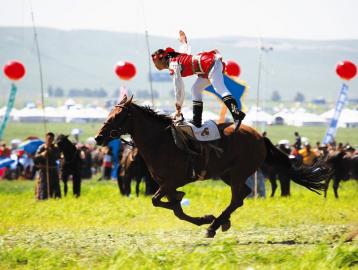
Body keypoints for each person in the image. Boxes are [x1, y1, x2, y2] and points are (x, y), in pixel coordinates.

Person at [151, 30, 245, 130]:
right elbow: (185, 50)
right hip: (206, 67)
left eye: (156, 62)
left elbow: (179, 88)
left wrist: (178, 107)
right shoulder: (175, 58)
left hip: (209, 64)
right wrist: (183, 41)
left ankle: (237, 114)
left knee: (220, 89)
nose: (155, 65)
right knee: (195, 89)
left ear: (162, 59)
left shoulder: (173, 65)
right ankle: (197, 121)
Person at [34, 132, 61, 200]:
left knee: (55, 186)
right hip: (44, 170)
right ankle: (43, 199)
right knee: (44, 186)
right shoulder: (41, 147)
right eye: (48, 139)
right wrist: (44, 153)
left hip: (53, 170)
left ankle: (56, 199)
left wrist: (50, 151)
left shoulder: (55, 148)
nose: (50, 140)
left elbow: (57, 157)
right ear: (45, 139)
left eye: (51, 139)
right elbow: (36, 159)